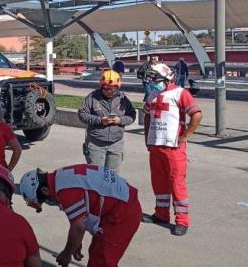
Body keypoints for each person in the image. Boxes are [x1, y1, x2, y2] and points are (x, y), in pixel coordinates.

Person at [20, 164, 141, 267]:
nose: (49, 202)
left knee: (101, 261)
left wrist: (67, 253)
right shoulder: (59, 177)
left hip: (123, 213)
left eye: (45, 200)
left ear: (45, 190)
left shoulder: (64, 191)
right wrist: (75, 243)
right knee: (96, 253)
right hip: (122, 204)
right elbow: (80, 216)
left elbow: (78, 227)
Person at [142, 63, 202, 236]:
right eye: (151, 78)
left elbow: (196, 114)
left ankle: (182, 220)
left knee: (177, 184)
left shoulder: (181, 93)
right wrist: (147, 138)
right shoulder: (152, 95)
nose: (152, 81)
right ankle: (161, 214)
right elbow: (146, 116)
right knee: (158, 182)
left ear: (166, 77)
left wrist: (185, 136)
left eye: (155, 78)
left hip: (174, 148)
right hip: (156, 147)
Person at [78, 70, 135, 173]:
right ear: (101, 85)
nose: (108, 91)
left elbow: (132, 116)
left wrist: (120, 120)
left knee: (111, 177)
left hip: (116, 144)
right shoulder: (92, 97)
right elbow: (82, 114)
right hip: (95, 144)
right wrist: (100, 120)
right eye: (105, 88)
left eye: (111, 89)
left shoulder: (123, 99)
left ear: (118, 87)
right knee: (95, 176)